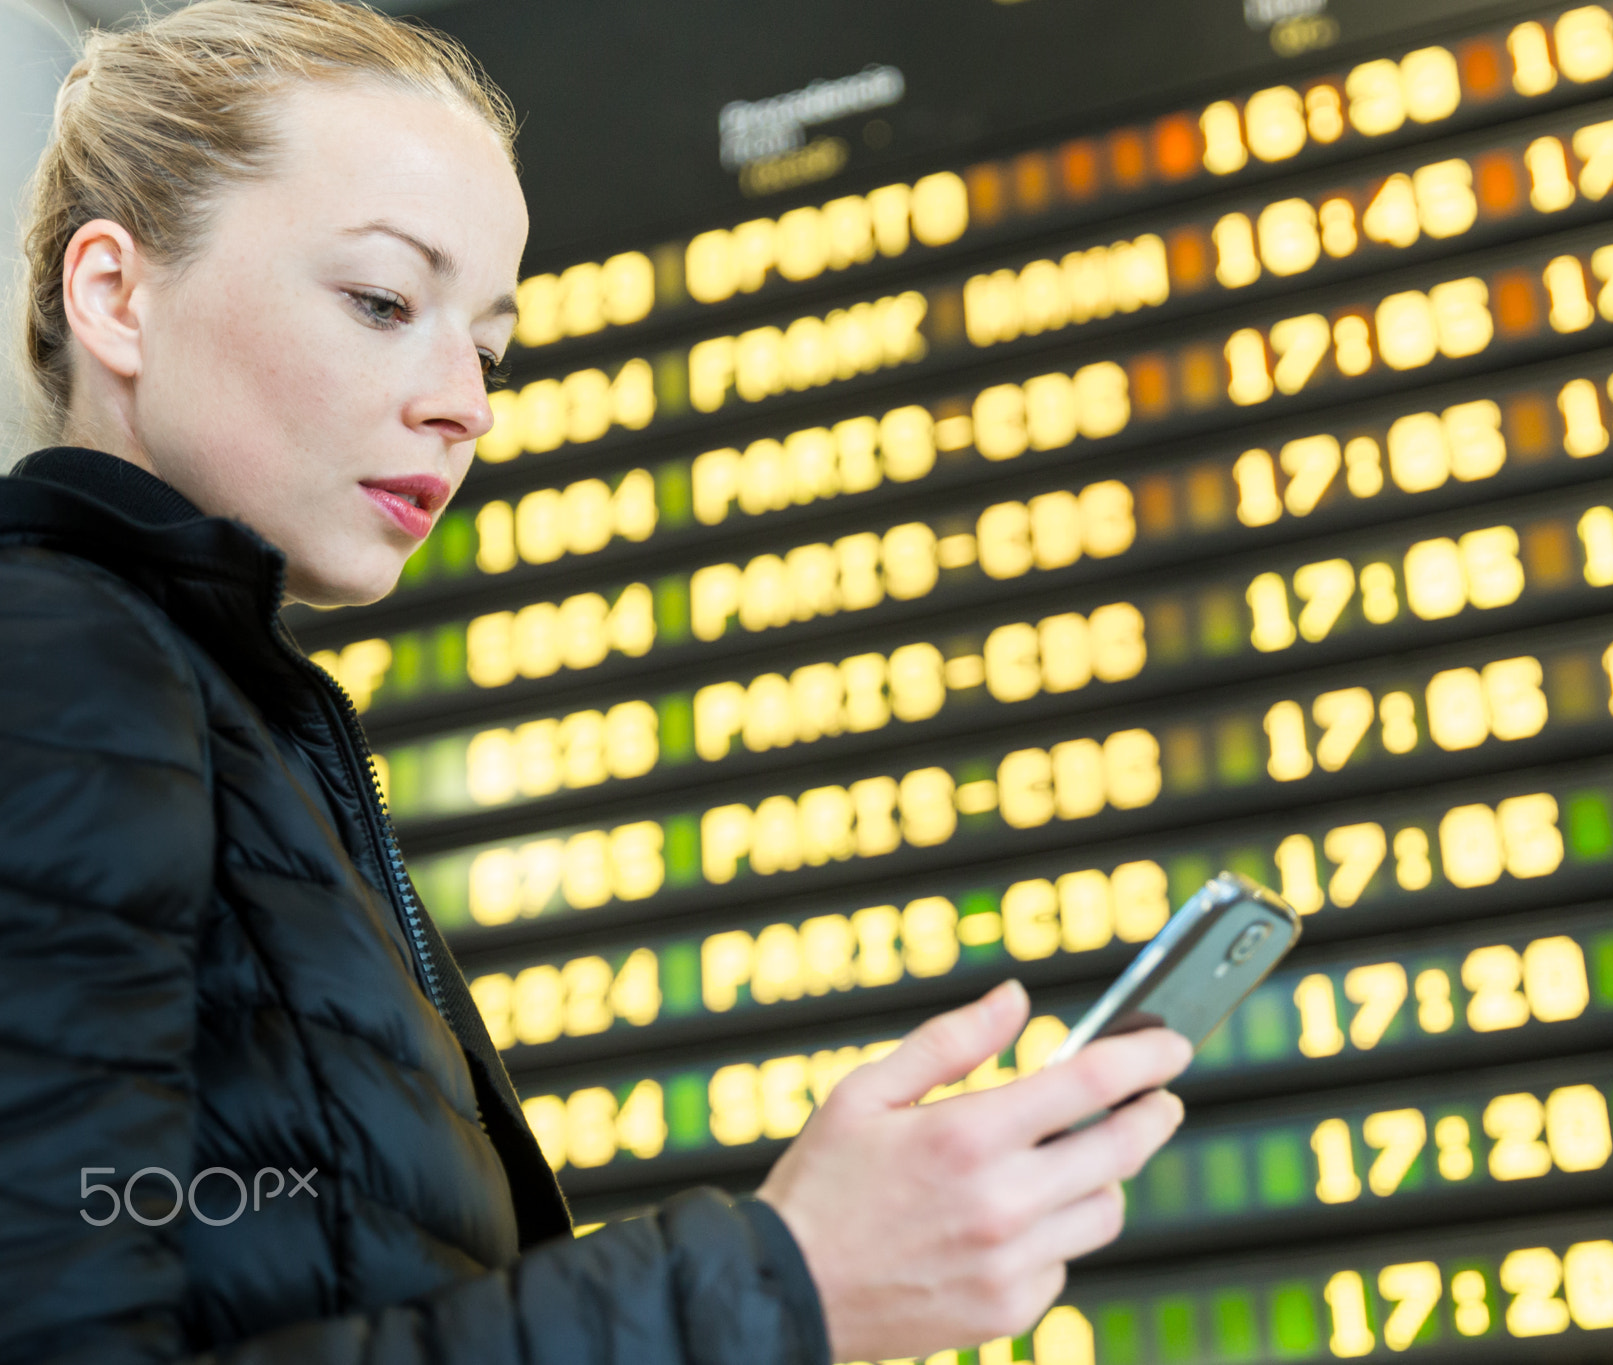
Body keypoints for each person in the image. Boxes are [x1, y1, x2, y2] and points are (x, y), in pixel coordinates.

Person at [0, 2, 1193, 1361]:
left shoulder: (234, 729)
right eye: (385, 301)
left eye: (491, 346)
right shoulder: (62, 663)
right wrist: (781, 1283)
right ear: (114, 295)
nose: (468, 402)